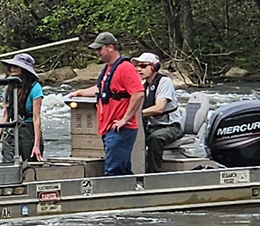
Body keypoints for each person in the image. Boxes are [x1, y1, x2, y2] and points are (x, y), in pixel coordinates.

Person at [65, 32, 143, 176]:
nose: (97, 52)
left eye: (99, 49)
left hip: (120, 129)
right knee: (122, 170)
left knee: (113, 171)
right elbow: (101, 89)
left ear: (110, 47)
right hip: (108, 128)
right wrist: (80, 93)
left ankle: (113, 190)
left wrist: (125, 119)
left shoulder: (125, 67)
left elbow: (138, 93)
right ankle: (129, 189)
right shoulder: (109, 69)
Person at [133, 52, 183, 173]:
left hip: (171, 126)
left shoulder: (164, 82)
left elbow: (159, 108)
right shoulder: (143, 85)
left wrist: (137, 114)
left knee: (155, 138)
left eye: (143, 66)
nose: (139, 69)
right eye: (137, 66)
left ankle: (153, 173)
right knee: (130, 135)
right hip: (153, 126)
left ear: (154, 67)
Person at [0, 53, 45, 163]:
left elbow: (36, 118)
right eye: (11, 66)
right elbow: (5, 115)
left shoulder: (35, 88)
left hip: (28, 129)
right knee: (7, 162)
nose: (12, 68)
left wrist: (36, 145)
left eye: (16, 66)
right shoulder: (10, 86)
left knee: (30, 163)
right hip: (12, 127)